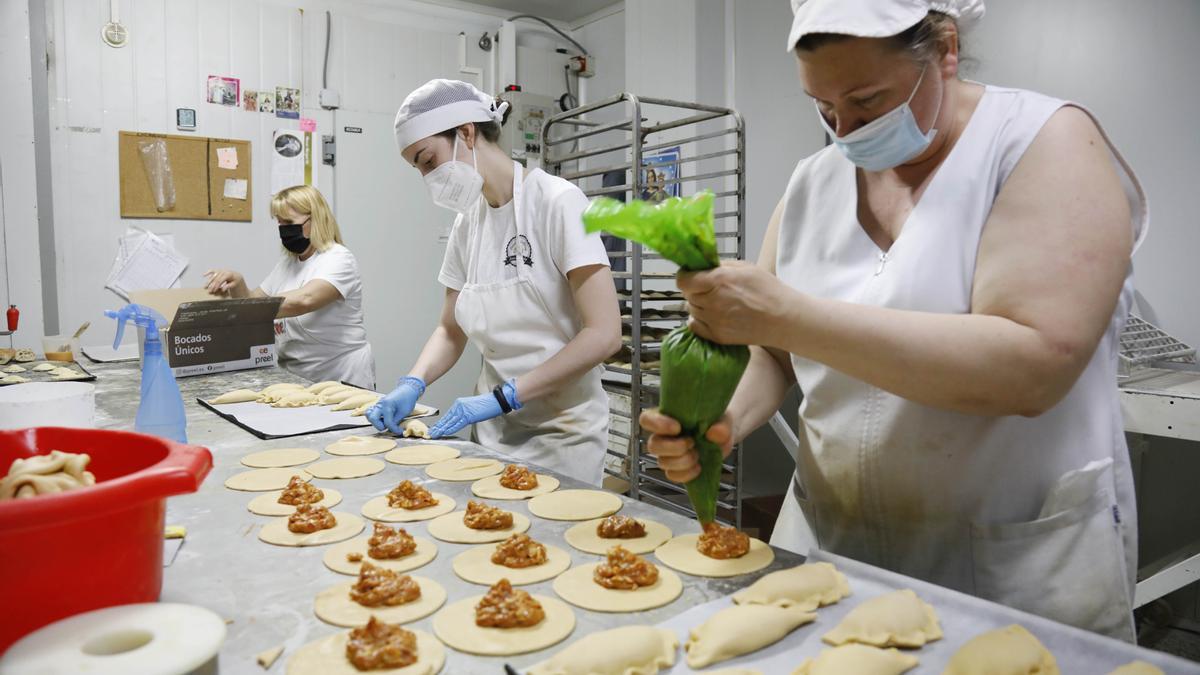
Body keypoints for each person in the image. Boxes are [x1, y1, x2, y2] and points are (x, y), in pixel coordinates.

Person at [641, 0, 1146, 641]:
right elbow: (772, 353)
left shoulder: (1040, 142)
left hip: (999, 561)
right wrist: (725, 421)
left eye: (868, 102)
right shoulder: (814, 182)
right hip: (831, 543)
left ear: (945, 48)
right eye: (824, 109)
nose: (846, 131)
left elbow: (1033, 369)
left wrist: (792, 317)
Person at [369, 79, 621, 485]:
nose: (427, 177)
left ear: (466, 133)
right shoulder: (468, 224)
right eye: (418, 168)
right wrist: (412, 382)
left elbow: (605, 334)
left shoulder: (558, 203)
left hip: (564, 434)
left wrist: (507, 396)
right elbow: (450, 330)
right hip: (492, 434)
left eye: (428, 160)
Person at [204, 185, 375, 388]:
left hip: (342, 377)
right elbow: (253, 304)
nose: (284, 230)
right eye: (280, 223)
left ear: (315, 220)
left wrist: (245, 309)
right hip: (298, 379)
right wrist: (238, 284)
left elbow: (304, 300)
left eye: (289, 223)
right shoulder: (288, 263)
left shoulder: (338, 259)